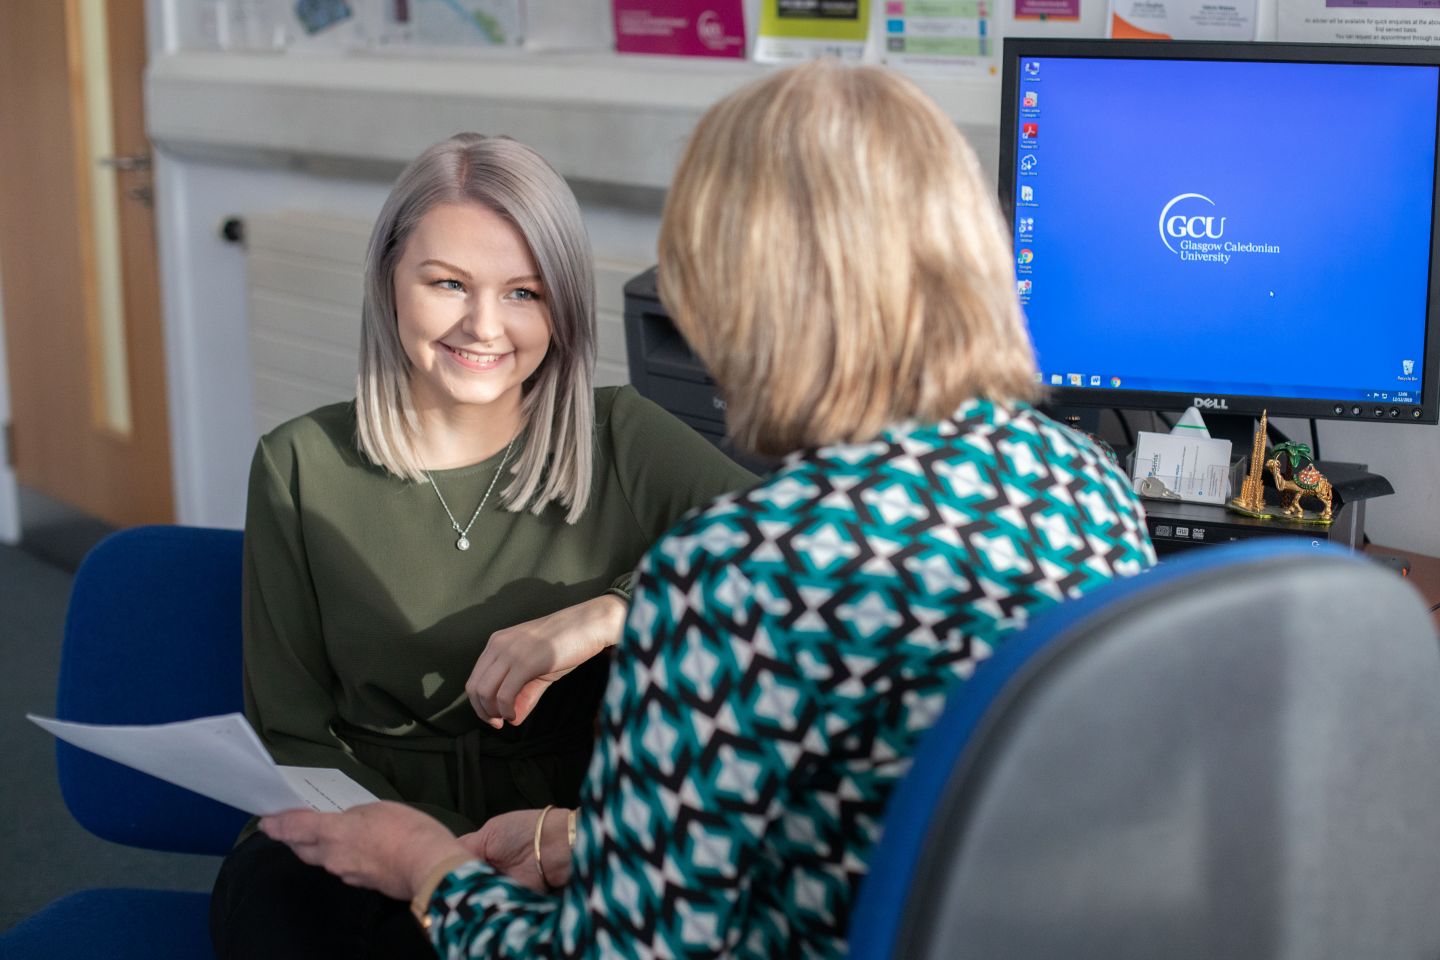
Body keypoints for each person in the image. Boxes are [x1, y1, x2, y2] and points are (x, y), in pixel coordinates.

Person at [260, 62, 1156, 957]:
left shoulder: (733, 572)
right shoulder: (1085, 485)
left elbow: (611, 951)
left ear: (736, 294)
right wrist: (582, 837)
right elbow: (876, 809)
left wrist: (428, 869)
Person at [210, 133, 756, 959]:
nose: (484, 326)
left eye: (525, 293)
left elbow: (795, 557)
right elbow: (290, 731)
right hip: (361, 822)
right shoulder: (298, 463)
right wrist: (412, 853)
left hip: (561, 836)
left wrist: (612, 610)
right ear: (390, 281)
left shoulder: (625, 436)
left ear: (563, 307)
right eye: (449, 284)